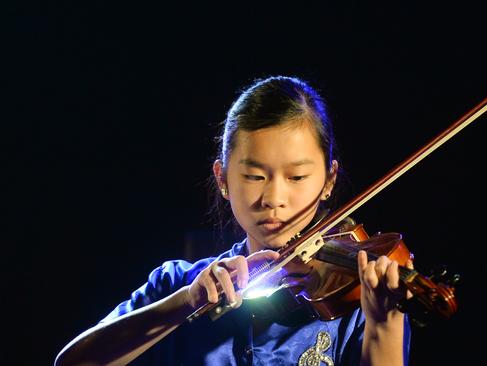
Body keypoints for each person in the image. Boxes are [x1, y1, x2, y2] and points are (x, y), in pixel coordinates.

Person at [55, 76, 411, 365]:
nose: (274, 199)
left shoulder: (362, 300)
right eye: (255, 176)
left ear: (329, 180)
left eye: (297, 177)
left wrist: (384, 325)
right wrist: (186, 303)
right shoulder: (178, 283)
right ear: (223, 179)